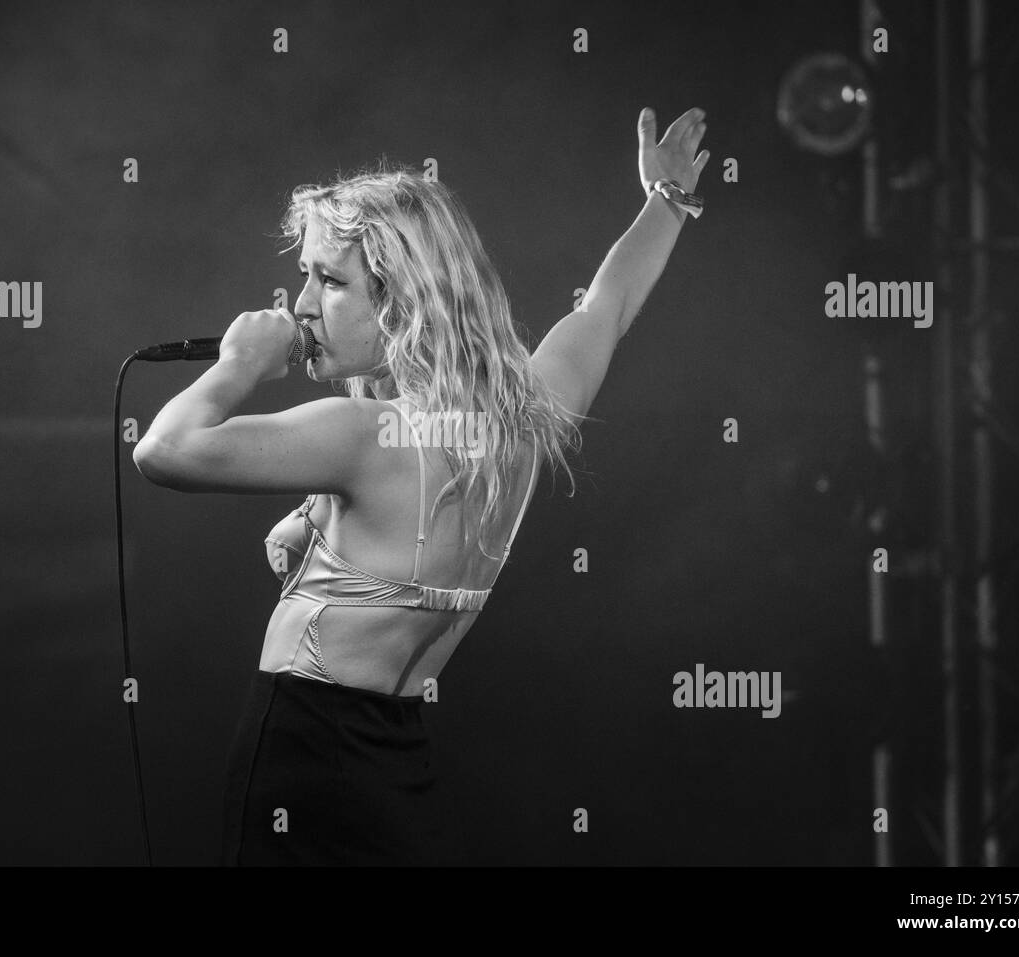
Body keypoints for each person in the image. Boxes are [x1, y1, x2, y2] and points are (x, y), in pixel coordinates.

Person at [133, 106, 709, 865]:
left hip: (300, 756)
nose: (299, 304)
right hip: (393, 759)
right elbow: (609, 305)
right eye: (305, 275)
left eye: (328, 280)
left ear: (401, 301)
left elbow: (164, 449)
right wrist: (665, 204)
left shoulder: (364, 440)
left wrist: (240, 361)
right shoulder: (528, 413)